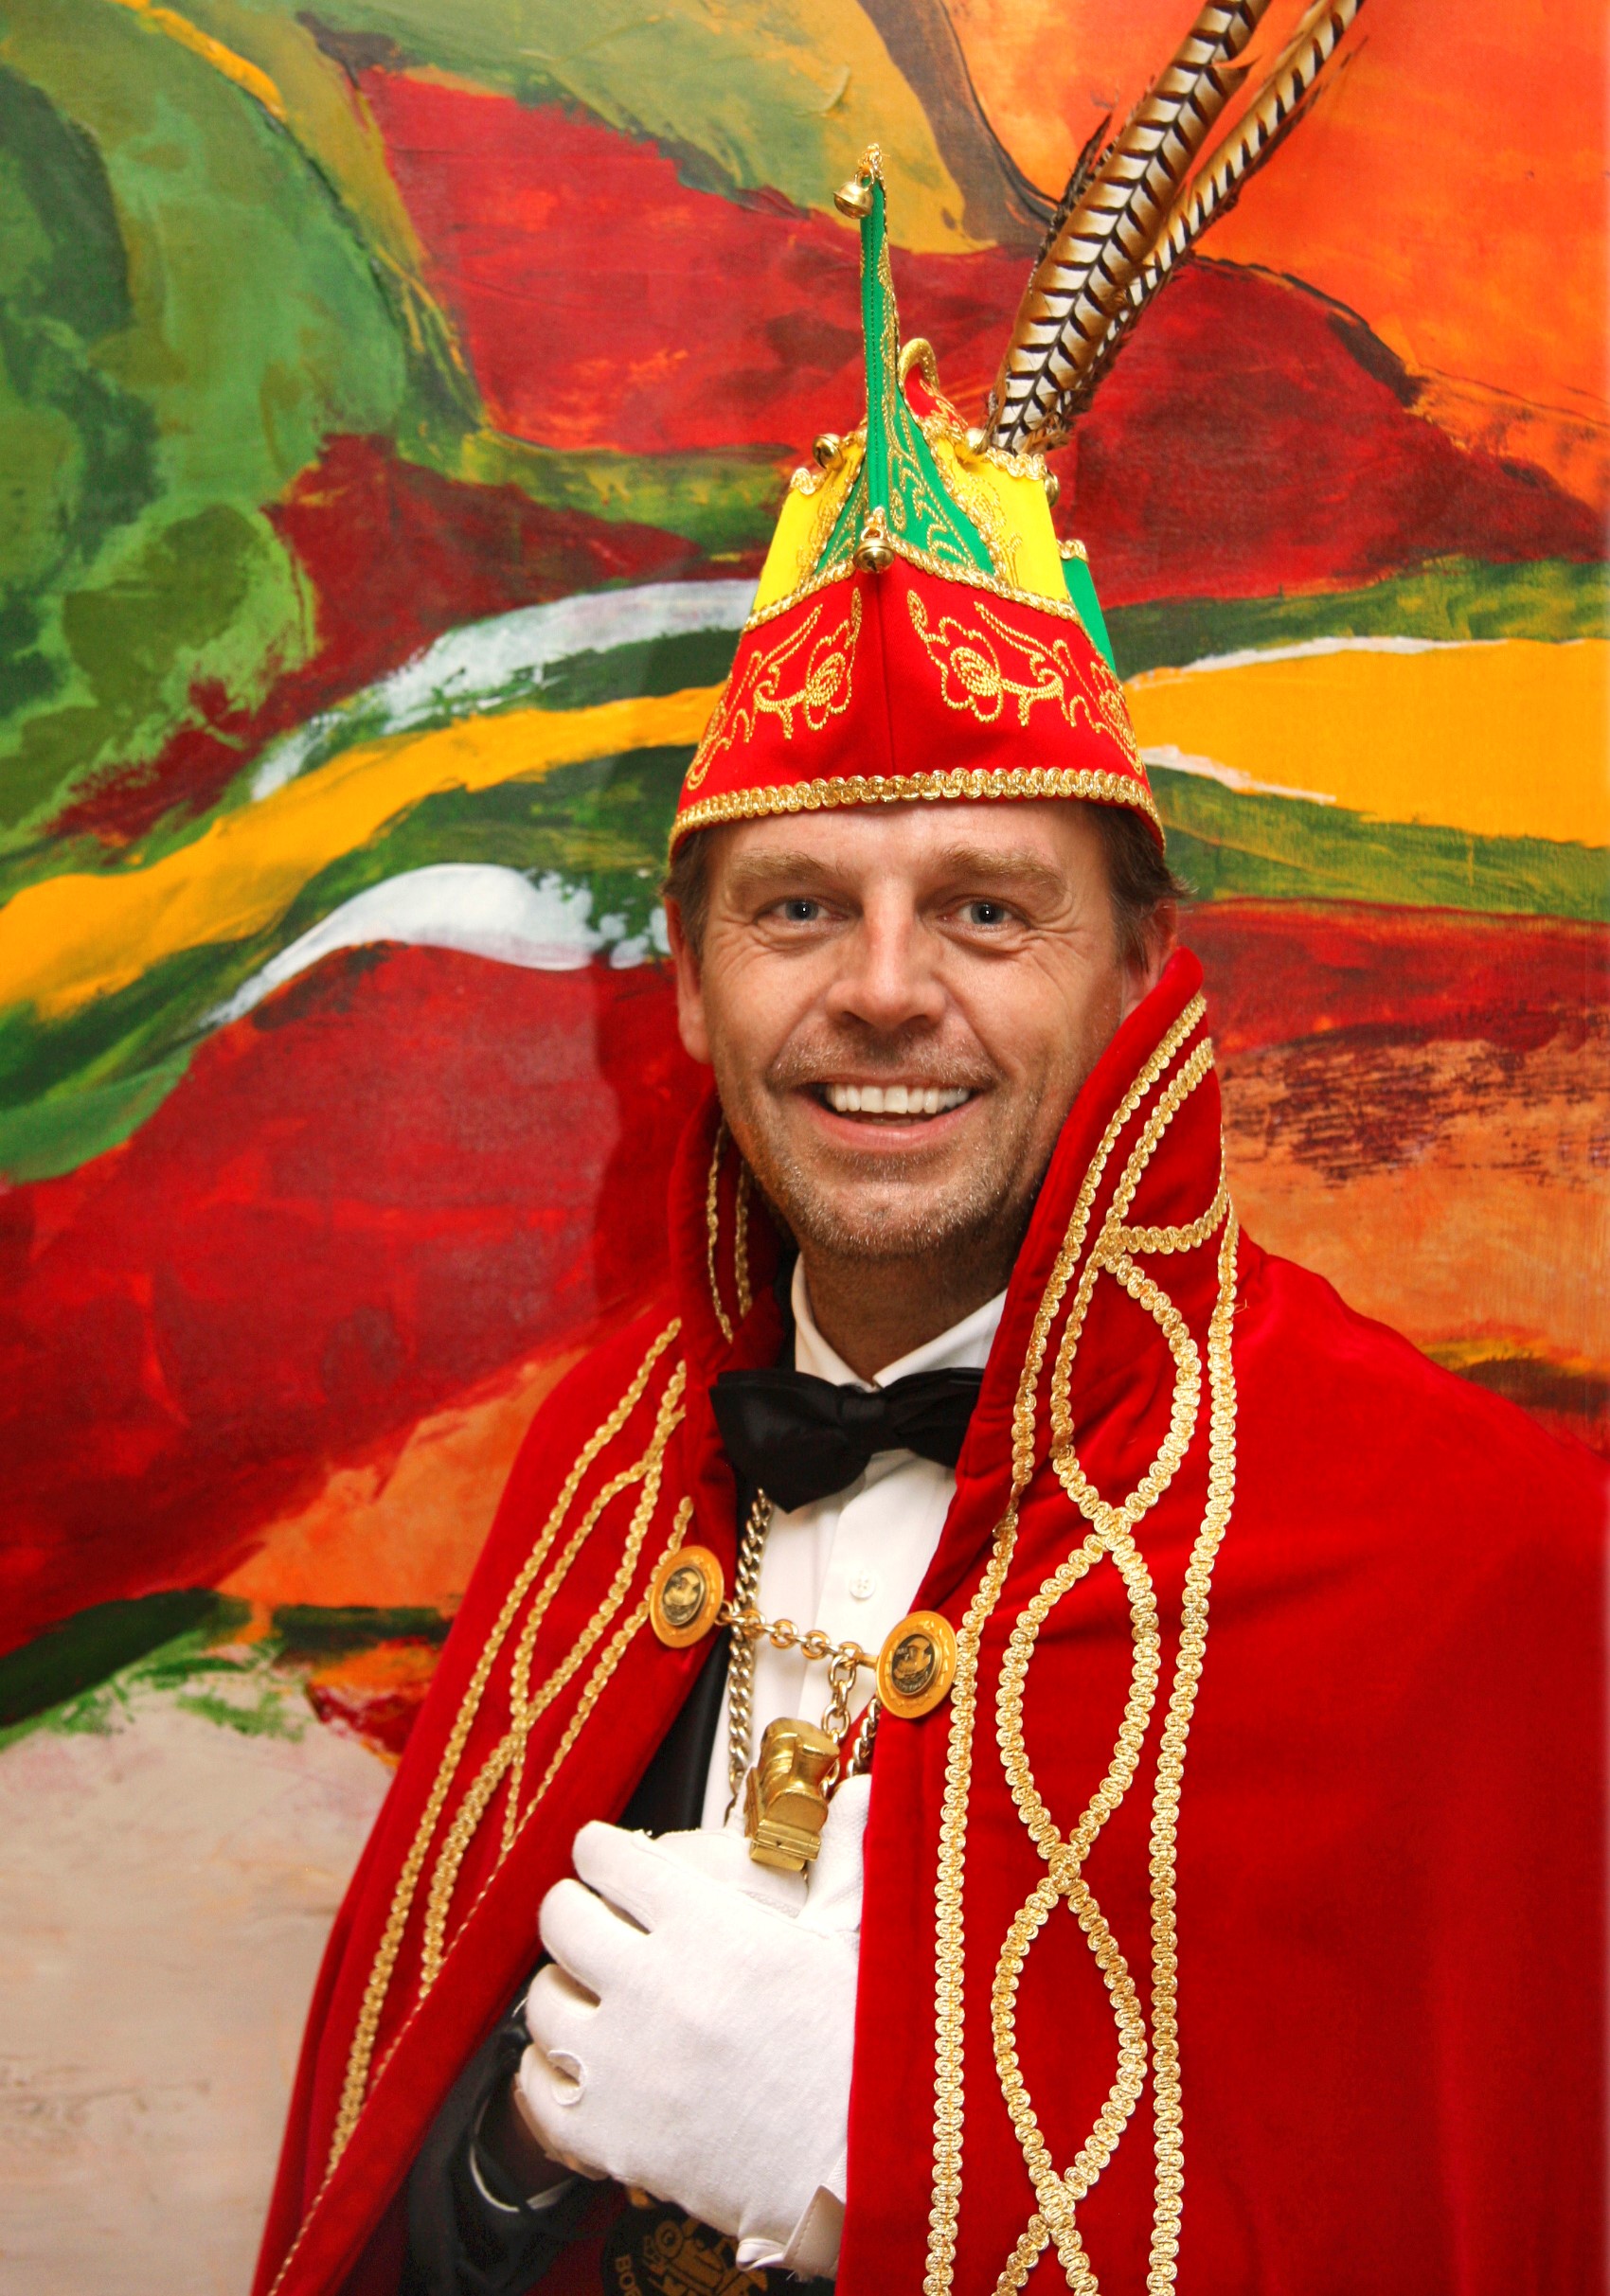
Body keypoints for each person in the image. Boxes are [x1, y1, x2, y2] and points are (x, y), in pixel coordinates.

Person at [255, 151, 1604, 2296]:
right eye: (802, 908)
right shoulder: (605, 1469)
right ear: (689, 981)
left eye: (985, 909)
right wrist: (508, 2161)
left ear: (1135, 968)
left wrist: (859, 2174)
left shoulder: (1473, 1561)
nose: (885, 991)